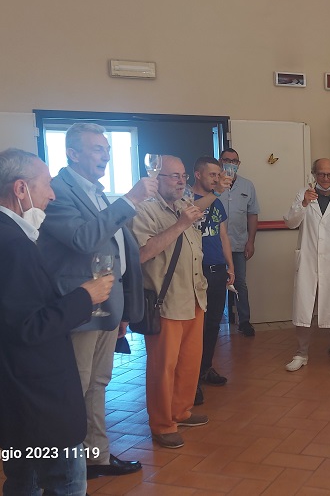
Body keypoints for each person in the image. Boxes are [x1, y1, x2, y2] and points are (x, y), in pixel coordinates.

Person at [0, 148, 114, 495]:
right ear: (20, 188)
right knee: (66, 483)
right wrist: (86, 296)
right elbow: (29, 325)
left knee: (24, 481)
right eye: (47, 184)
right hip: (36, 392)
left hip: (9, 388)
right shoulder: (12, 243)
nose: (52, 194)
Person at [38, 123, 156, 479]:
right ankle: (66, 468)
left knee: (98, 382)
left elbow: (119, 250)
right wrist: (131, 200)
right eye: (96, 149)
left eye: (107, 150)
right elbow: (83, 239)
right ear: (72, 153)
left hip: (107, 305)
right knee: (76, 385)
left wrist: (123, 307)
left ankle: (95, 456)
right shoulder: (59, 190)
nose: (105, 156)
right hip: (80, 307)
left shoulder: (98, 192)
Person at [131, 155, 209, 449]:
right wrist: (180, 224)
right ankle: (163, 424)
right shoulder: (144, 210)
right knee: (163, 367)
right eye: (174, 176)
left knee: (189, 362)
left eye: (183, 176)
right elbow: (142, 253)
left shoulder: (183, 206)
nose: (181, 182)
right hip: (166, 301)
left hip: (193, 296)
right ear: (156, 178)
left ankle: (180, 411)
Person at [283, 158, 330, 372]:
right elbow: (290, 222)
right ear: (314, 174)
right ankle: (301, 353)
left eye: (329, 174)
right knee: (304, 306)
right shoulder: (303, 195)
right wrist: (304, 203)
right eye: (321, 174)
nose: (325, 178)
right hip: (308, 260)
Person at [191, 156, 234, 405]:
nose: (217, 179)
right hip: (196, 271)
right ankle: (191, 379)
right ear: (198, 174)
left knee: (213, 324)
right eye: (212, 175)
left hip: (217, 269)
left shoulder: (217, 203)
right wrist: (216, 193)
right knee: (196, 326)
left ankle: (205, 368)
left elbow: (223, 235)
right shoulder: (187, 200)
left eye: (219, 175)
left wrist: (230, 265)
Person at [216, 148, 260, 337]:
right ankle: (213, 322)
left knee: (240, 283)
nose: (230, 163)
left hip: (239, 243)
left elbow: (252, 214)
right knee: (216, 284)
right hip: (215, 245)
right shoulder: (213, 184)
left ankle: (244, 321)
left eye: (234, 161)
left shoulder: (247, 186)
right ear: (220, 161)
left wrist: (251, 241)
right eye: (227, 160)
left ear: (238, 164)